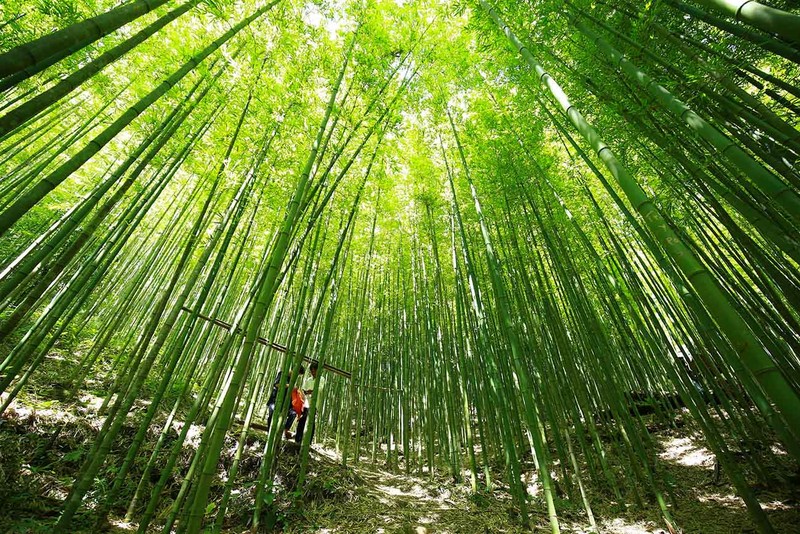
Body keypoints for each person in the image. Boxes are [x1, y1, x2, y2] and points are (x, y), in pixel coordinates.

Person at [293, 360, 324, 444]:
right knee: (302, 420)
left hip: (314, 404)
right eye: (312, 371)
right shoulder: (308, 380)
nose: (313, 372)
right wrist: (304, 392)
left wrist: (312, 391)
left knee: (311, 422)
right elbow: (304, 389)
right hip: (306, 403)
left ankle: (308, 442)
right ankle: (298, 438)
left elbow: (320, 389)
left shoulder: (321, 379)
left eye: (315, 370)